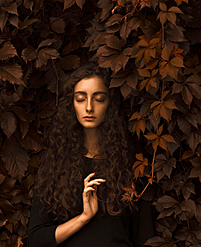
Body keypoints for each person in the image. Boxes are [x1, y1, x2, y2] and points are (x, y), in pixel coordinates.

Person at [27, 63, 154, 247]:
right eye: (80, 99)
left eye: (99, 99)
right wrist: (84, 218)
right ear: (72, 105)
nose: (89, 107)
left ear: (109, 104)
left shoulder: (132, 166)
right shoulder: (55, 165)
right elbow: (36, 240)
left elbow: (146, 239)